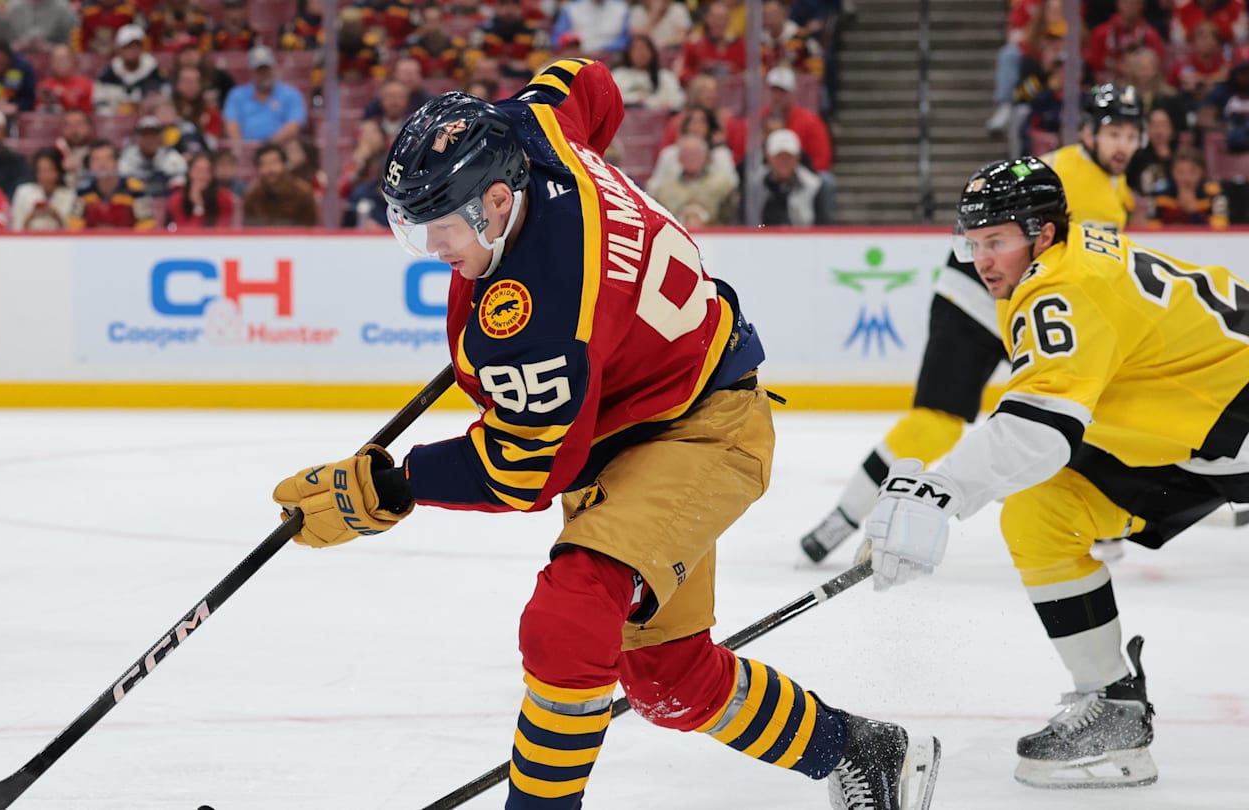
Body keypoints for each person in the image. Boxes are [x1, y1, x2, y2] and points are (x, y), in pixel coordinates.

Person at [268, 59, 940, 809]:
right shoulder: (535, 127)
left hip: (698, 433)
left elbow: (522, 471)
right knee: (669, 681)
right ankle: (865, 750)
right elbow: (586, 80)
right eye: (411, 228)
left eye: (441, 228)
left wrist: (392, 486)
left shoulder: (540, 308)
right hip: (640, 415)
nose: (432, 251)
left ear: (497, 201)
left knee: (570, 613)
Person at [861, 154, 1249, 790]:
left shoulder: (1060, 284)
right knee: (1044, 512)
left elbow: (1039, 431)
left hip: (1227, 415)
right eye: (974, 242)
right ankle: (1114, 712)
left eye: (997, 241)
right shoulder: (1067, 256)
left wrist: (937, 491)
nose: (981, 259)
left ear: (1041, 234)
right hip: (1190, 430)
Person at [797, 83, 1146, 565]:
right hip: (979, 300)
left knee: (1086, 409)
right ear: (1088, 132)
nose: (1123, 145)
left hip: (1024, 300)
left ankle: (1096, 515)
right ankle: (844, 517)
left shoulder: (1112, 184)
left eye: (1131, 134)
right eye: (1113, 133)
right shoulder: (1067, 173)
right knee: (937, 425)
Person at [70, 139, 155, 230]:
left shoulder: (133, 188)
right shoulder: (83, 191)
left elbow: (147, 223)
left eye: (108, 159)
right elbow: (74, 224)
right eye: (96, 159)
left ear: (116, 162)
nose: (102, 164)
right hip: (93, 242)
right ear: (90, 164)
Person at [11, 146, 75, 230]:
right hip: (28, 241)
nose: (45, 176)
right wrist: (31, 216)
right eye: (41, 170)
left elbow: (74, 232)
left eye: (49, 170)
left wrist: (56, 216)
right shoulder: (23, 192)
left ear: (59, 171)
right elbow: (15, 229)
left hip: (60, 242)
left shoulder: (70, 195)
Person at [166, 152, 235, 228]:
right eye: (198, 170)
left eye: (207, 171)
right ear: (189, 173)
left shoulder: (224, 198)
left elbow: (222, 230)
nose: (202, 175)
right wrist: (198, 208)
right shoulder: (177, 200)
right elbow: (184, 234)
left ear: (213, 174)